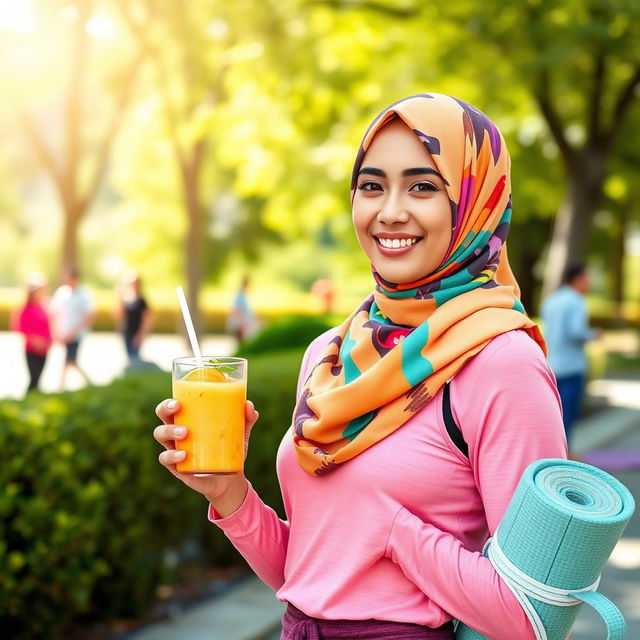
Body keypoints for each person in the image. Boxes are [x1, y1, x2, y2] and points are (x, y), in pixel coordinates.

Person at [154, 94, 566, 640]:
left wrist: (393, 529)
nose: (389, 210)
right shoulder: (331, 354)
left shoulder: (500, 362)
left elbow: (531, 618)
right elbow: (312, 577)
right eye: (372, 186)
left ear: (473, 203)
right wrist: (228, 492)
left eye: (423, 186)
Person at [541, 263, 598, 446]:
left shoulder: (551, 300)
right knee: (569, 414)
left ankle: (553, 451)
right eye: (587, 278)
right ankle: (565, 453)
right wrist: (593, 335)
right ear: (577, 279)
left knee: (554, 414)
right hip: (572, 365)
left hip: (552, 364)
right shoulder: (576, 300)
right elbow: (576, 332)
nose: (589, 282)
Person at [50, 266, 94, 389]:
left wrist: (74, 332)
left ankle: (62, 385)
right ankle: (62, 385)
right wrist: (56, 331)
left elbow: (88, 315)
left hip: (76, 334)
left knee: (70, 359)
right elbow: (54, 312)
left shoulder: (83, 294)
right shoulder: (61, 292)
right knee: (68, 359)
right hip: (63, 333)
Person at [11, 273, 52, 393]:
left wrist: (48, 342)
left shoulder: (44, 306)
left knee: (38, 378)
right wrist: (34, 340)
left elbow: (49, 326)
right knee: (33, 377)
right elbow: (20, 327)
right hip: (31, 348)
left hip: (44, 349)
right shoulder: (25, 308)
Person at [116, 270, 153, 363]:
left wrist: (140, 335)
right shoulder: (126, 300)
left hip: (136, 333)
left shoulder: (142, 300)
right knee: (129, 358)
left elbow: (147, 320)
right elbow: (119, 316)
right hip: (126, 333)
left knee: (134, 358)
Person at [227, 275, 257, 344]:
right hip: (240, 326)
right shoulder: (240, 296)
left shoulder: (244, 295)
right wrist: (242, 325)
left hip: (244, 325)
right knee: (242, 344)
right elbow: (237, 311)